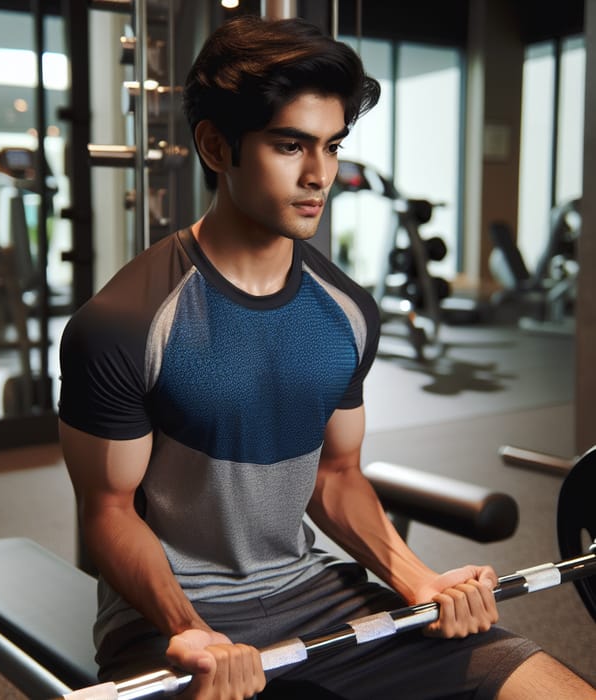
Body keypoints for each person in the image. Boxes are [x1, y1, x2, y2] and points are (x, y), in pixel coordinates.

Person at [58, 15, 595, 699]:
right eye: (291, 146)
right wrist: (187, 627)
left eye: (332, 147)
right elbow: (107, 513)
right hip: (173, 627)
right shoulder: (126, 323)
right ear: (217, 146)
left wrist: (418, 580)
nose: (320, 176)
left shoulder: (345, 310)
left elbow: (337, 476)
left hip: (317, 596)